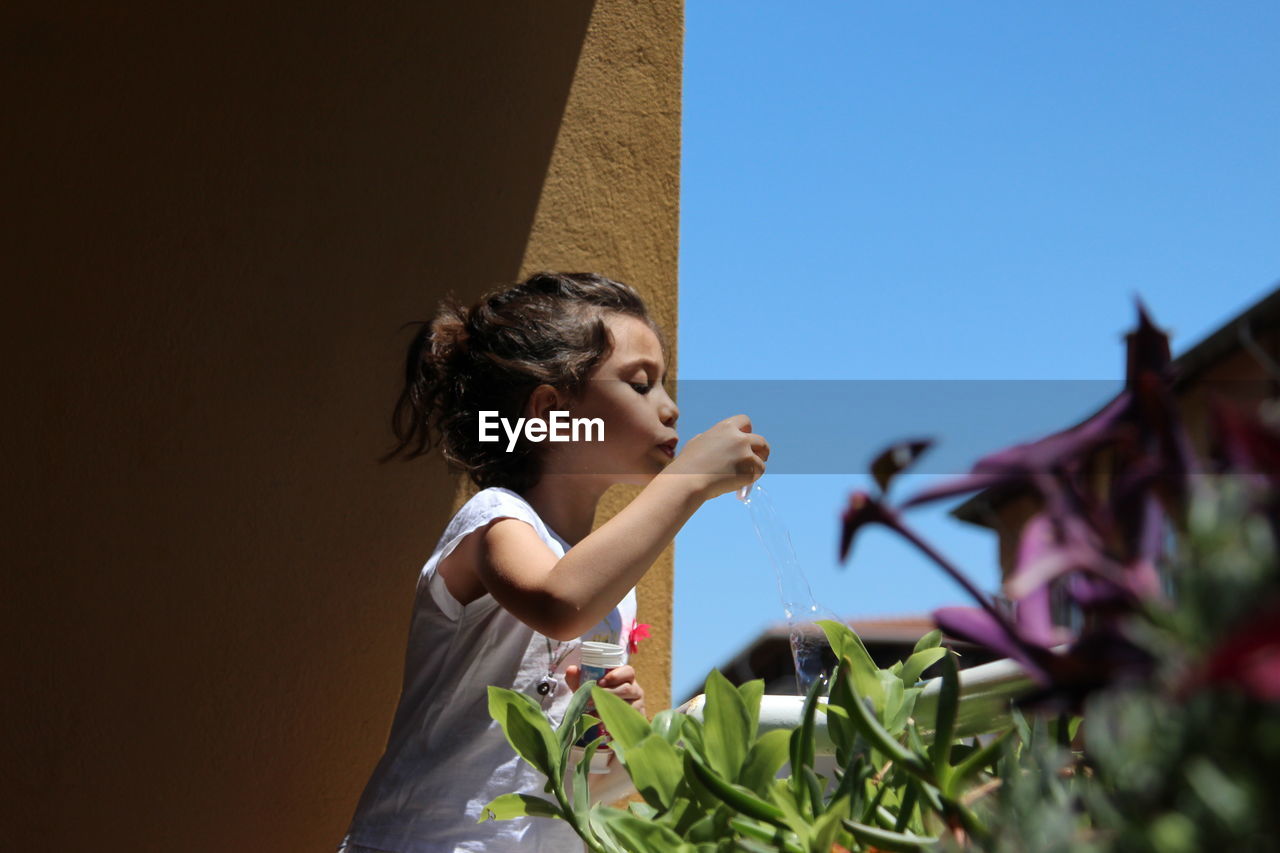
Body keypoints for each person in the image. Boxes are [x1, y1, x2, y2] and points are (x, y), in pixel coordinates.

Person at [337, 272, 769, 852]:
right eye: (641, 384)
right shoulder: (495, 519)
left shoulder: (604, 580)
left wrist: (610, 722)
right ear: (551, 412)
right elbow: (558, 602)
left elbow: (572, 753)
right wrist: (689, 481)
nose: (670, 409)